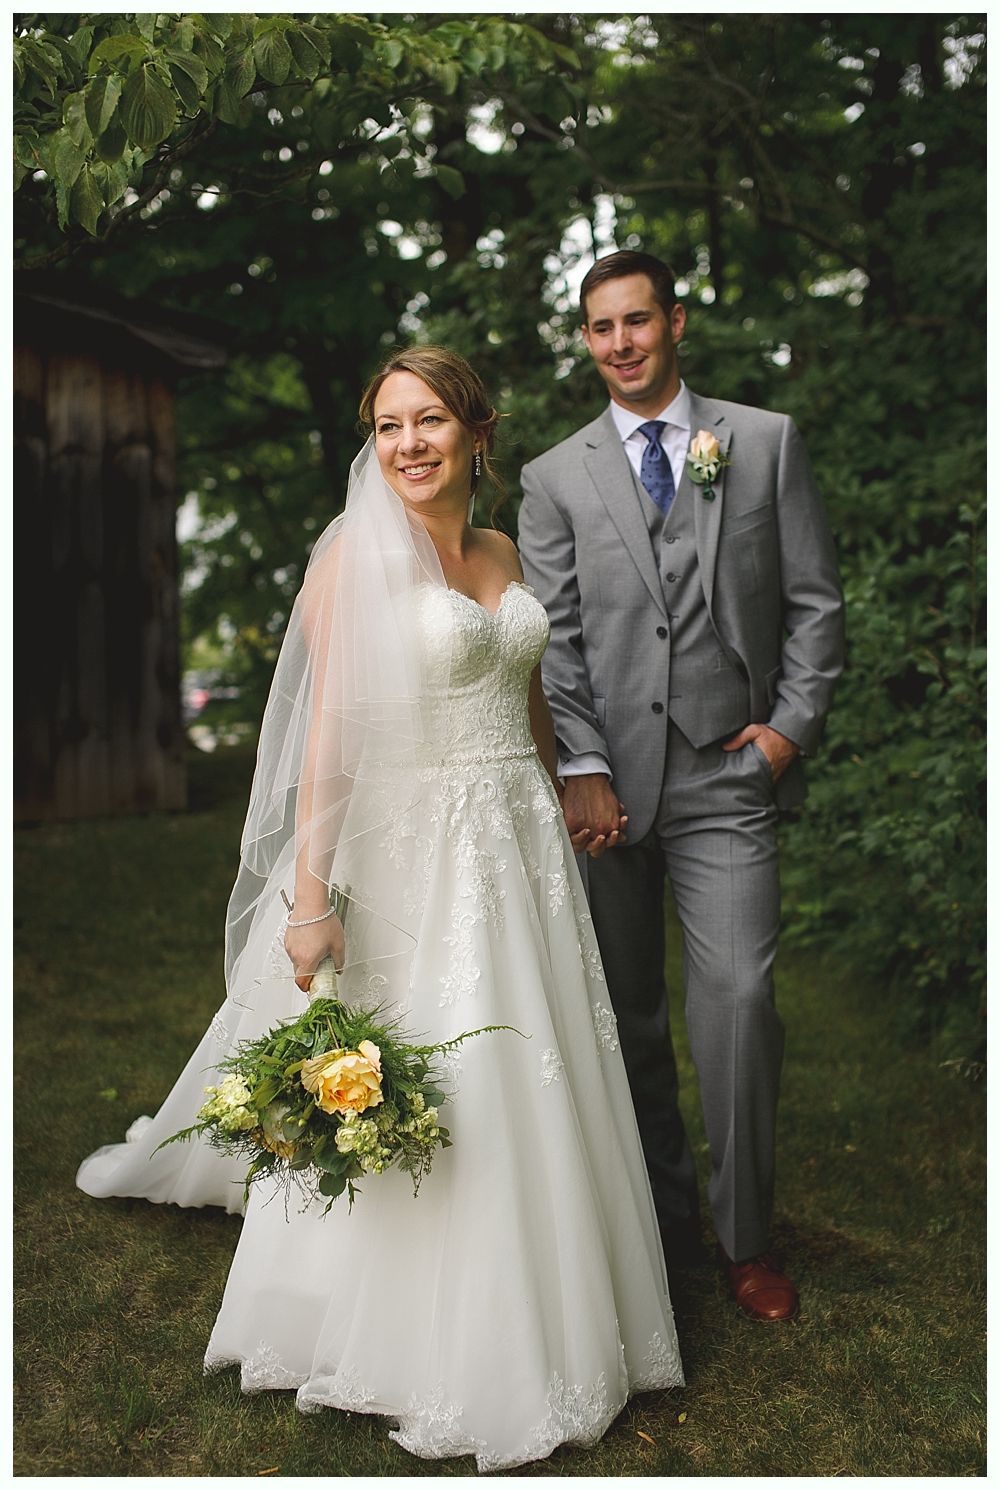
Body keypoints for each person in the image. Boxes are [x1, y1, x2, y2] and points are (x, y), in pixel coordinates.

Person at [77, 346, 683, 1472]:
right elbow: (327, 738)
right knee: (438, 1060)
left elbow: (523, 690)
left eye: (431, 422)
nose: (408, 443)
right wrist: (309, 902)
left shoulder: (499, 549)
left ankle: (556, 1290)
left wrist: (564, 783)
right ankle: (414, 1323)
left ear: (475, 432)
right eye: (390, 423)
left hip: (517, 837)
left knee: (536, 1060)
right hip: (415, 851)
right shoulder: (355, 559)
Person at [518, 251, 844, 1322]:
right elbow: (553, 641)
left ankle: (746, 1237)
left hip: (724, 773)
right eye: (600, 327)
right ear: (584, 339)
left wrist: (786, 733)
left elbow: (812, 602)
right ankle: (655, 1226)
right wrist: (583, 767)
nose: (620, 342)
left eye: (637, 321)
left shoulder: (758, 441)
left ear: (676, 322)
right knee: (626, 1016)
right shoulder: (553, 476)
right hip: (606, 793)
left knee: (739, 1004)